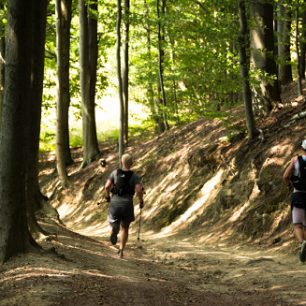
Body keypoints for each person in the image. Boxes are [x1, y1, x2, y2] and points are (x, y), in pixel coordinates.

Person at [104, 153, 144, 258]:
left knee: (113, 221)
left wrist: (107, 197)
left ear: (121, 162)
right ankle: (121, 250)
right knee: (125, 228)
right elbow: (139, 190)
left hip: (115, 203)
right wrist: (141, 201)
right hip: (127, 204)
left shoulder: (114, 173)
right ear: (131, 163)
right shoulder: (135, 176)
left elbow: (107, 186)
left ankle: (114, 229)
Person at [283, 139, 306, 262]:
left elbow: (286, 176)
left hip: (298, 196)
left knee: (298, 224)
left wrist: (289, 185)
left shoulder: (296, 160)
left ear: (302, 148)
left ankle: (302, 243)